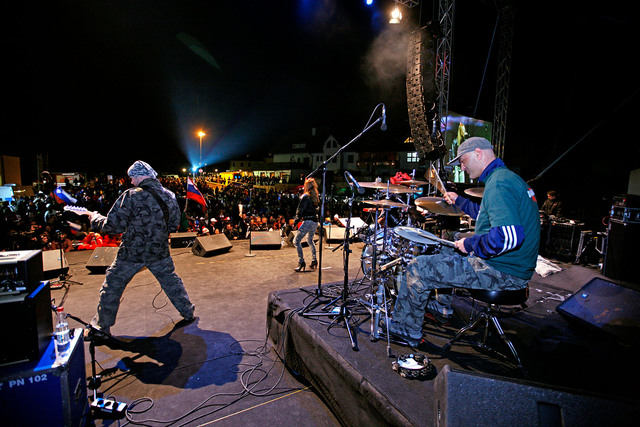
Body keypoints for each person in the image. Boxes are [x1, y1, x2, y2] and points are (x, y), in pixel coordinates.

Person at [385, 137, 540, 346]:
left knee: (417, 267)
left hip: (502, 272)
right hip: (511, 267)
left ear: (478, 153)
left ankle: (405, 330)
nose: (462, 167)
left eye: (463, 161)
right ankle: (442, 306)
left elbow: (509, 237)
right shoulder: (505, 178)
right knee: (444, 251)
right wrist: (459, 201)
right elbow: (485, 215)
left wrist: (470, 245)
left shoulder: (499, 184)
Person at [85, 160, 195, 339]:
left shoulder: (130, 196)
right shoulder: (170, 195)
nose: (131, 182)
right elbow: (174, 224)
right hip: (159, 251)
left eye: (132, 178)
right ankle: (188, 311)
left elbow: (112, 227)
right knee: (171, 281)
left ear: (139, 176)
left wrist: (95, 218)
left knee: (112, 286)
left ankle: (101, 327)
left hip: (132, 253)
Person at [293, 177, 319, 272]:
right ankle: (314, 260)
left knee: (296, 241)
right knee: (310, 240)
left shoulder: (306, 196)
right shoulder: (315, 195)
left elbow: (300, 210)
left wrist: (295, 222)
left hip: (308, 221)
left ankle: (301, 262)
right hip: (315, 222)